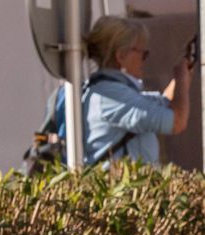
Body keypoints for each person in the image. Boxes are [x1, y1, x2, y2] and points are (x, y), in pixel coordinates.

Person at [82, 15, 191, 166]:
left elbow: (165, 102)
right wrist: (181, 80)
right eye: (143, 53)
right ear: (121, 55)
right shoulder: (112, 96)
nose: (144, 60)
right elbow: (176, 121)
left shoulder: (112, 91)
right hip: (122, 188)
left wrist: (184, 72)